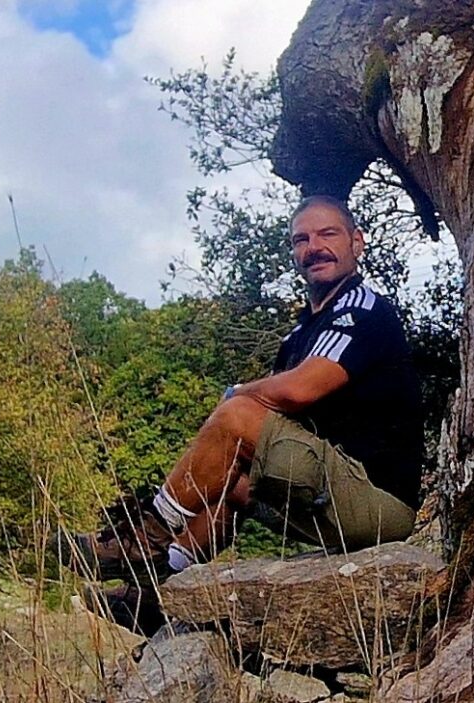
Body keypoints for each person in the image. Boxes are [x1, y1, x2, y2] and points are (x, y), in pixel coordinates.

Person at [53, 195, 423, 633]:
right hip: (332, 494)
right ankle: (159, 587)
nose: (314, 247)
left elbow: (298, 390)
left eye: (328, 234)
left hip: (377, 503)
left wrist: (236, 394)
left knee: (237, 417)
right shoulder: (302, 331)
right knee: (227, 473)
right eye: (301, 239)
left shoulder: (361, 310)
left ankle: (142, 539)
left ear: (356, 242)